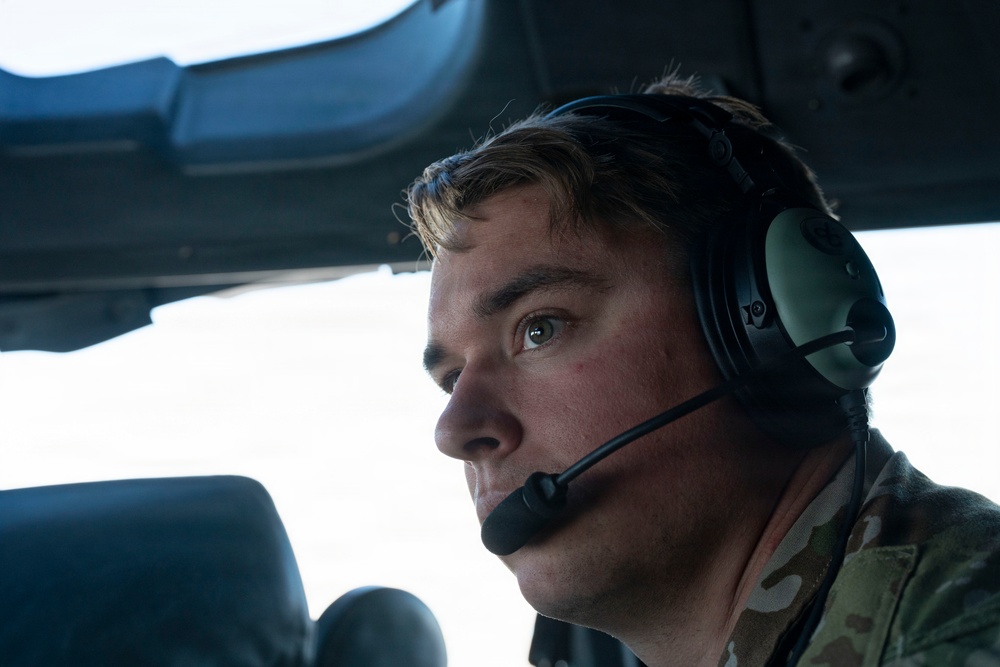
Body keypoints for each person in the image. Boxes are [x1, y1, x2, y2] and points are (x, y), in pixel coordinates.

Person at [405, 73, 1000, 666]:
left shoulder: (951, 632)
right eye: (452, 378)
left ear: (770, 325)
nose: (455, 431)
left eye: (540, 328)